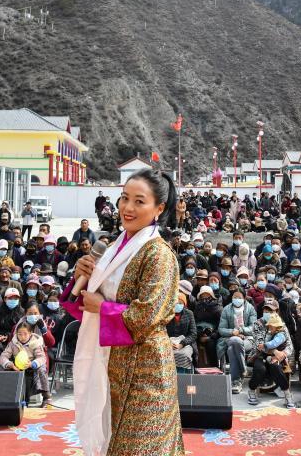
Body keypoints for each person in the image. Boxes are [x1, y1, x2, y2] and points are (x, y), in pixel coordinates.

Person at [70, 169, 185, 456]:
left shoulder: (157, 254)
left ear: (159, 209)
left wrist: (102, 307)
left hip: (145, 368)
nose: (128, 208)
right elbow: (84, 304)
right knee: (113, 443)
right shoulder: (112, 248)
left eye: (139, 201)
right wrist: (81, 278)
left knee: (143, 446)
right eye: (124, 198)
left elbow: (146, 317)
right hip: (112, 363)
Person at [247, 309, 295, 407]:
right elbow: (259, 345)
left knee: (276, 368)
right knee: (260, 368)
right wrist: (274, 351)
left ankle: (287, 393)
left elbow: (289, 346)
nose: (268, 313)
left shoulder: (281, 330)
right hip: (261, 355)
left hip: (277, 357)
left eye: (271, 310)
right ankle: (251, 390)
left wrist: (282, 354)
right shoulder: (258, 324)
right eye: (266, 310)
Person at [0, 320, 50, 407]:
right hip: (17, 367)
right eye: (20, 334)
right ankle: (8, 397)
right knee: (2, 369)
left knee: (41, 369)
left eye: (25, 334)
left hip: (32, 366)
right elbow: (2, 357)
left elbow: (42, 358)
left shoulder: (36, 343)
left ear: (30, 333)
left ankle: (46, 397)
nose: (22, 337)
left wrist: (32, 364)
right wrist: (10, 364)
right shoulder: (13, 343)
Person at [218, 289, 257, 394]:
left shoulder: (250, 309)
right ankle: (243, 370)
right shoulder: (226, 309)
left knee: (231, 350)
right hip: (229, 338)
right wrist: (233, 332)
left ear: (244, 298)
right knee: (235, 341)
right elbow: (221, 329)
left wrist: (240, 330)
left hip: (248, 339)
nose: (237, 299)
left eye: (239, 297)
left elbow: (253, 327)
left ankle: (236, 381)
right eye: (235, 297)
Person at [167, 292, 197, 373]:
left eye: (180, 303)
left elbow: (193, 333)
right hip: (169, 342)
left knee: (183, 355)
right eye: (176, 303)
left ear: (184, 304)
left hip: (185, 344)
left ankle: (183, 377)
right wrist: (168, 342)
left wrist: (182, 344)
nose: (178, 305)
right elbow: (162, 330)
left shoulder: (189, 314)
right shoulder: (167, 314)